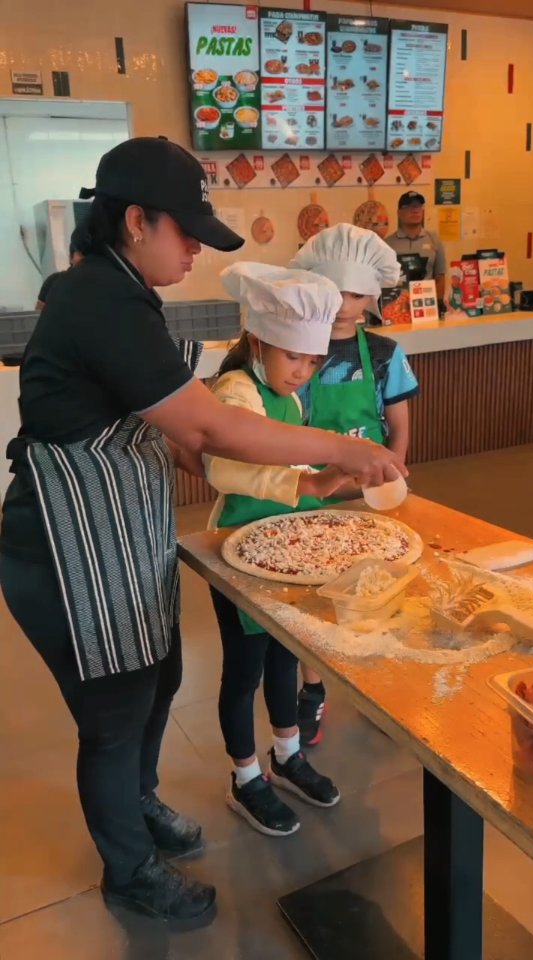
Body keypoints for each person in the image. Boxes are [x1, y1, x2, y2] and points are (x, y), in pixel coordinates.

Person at [0, 137, 407, 927]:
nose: (194, 249)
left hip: (121, 536)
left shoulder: (125, 294)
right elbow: (212, 429)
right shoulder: (100, 301)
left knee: (156, 679)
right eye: (185, 232)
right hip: (71, 547)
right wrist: (341, 449)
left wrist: (290, 477)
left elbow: (194, 444)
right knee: (113, 716)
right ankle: (129, 872)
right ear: (135, 221)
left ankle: (140, 803)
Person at [205, 262, 349, 837]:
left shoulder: (289, 392)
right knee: (243, 672)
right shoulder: (236, 390)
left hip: (285, 547)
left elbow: (291, 456)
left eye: (313, 362)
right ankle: (245, 779)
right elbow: (227, 467)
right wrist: (308, 482)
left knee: (285, 657)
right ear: (259, 341)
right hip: (237, 552)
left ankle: (287, 755)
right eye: (294, 358)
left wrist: (325, 474)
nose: (302, 372)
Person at [290, 224, 420, 746]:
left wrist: (394, 470)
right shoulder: (297, 351)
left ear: (373, 296)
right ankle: (313, 689)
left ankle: (377, 685)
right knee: (315, 603)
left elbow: (399, 421)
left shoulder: (385, 353)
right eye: (334, 292)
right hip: (312, 494)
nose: (344, 306)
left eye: (357, 294)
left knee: (379, 592)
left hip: (372, 496)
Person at [385, 191, 447, 303]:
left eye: (419, 206)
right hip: (398, 306)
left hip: (426, 304)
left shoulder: (434, 240)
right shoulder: (387, 244)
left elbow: (440, 277)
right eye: (409, 206)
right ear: (399, 213)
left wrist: (439, 304)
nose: (415, 210)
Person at [35, 220, 89, 310]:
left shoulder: (103, 284)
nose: (86, 259)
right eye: (81, 254)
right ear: (71, 257)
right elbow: (38, 314)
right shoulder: (53, 281)